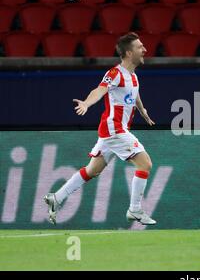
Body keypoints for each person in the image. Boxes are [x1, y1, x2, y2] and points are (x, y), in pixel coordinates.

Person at [44, 32, 157, 226]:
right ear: (129, 53)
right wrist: (87, 104)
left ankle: (57, 197)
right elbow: (99, 90)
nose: (145, 50)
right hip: (115, 130)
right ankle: (135, 209)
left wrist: (143, 111)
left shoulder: (133, 77)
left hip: (111, 131)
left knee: (92, 170)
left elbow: (135, 96)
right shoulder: (115, 74)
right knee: (145, 164)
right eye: (140, 47)